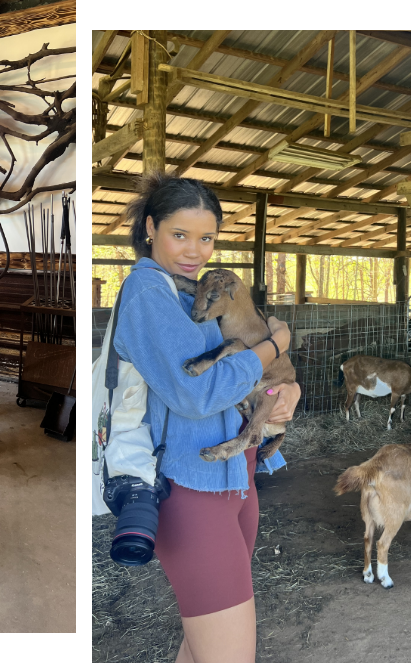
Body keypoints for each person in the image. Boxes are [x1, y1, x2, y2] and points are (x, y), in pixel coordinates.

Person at [113, 172, 302, 663]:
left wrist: (286, 389)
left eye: (207, 238)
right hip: (189, 491)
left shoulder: (189, 293)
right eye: (179, 235)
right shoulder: (147, 293)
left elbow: (243, 372)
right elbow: (195, 394)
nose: (194, 250)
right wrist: (275, 345)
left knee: (203, 649)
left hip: (235, 480)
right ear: (151, 228)